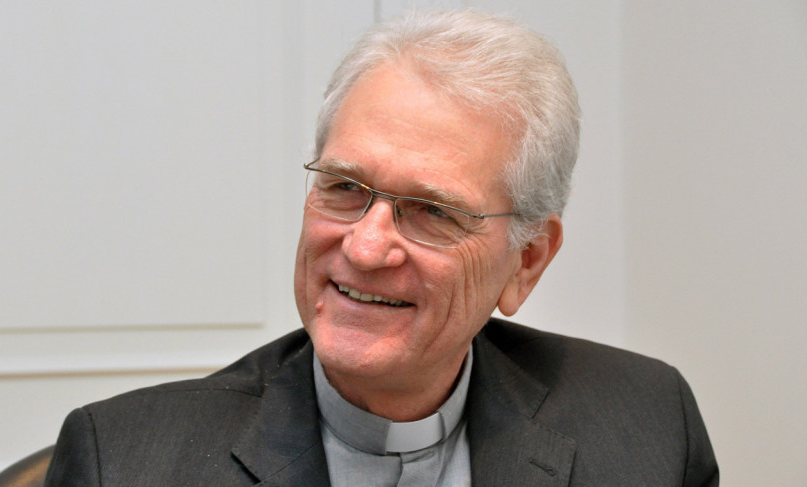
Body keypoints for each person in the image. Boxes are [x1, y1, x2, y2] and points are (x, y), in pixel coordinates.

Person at [45, 9, 718, 486]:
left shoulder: (647, 423)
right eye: (344, 187)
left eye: (432, 211)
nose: (365, 248)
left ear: (527, 260)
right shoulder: (124, 463)